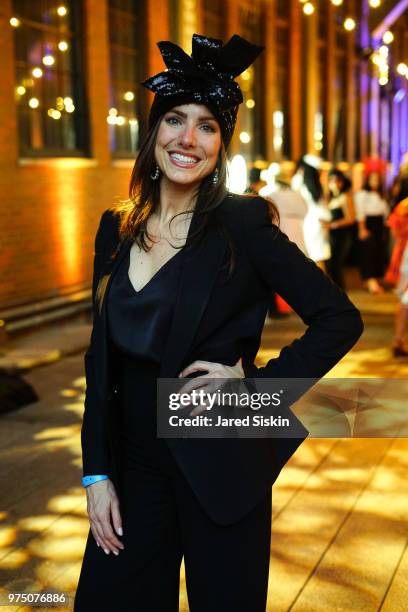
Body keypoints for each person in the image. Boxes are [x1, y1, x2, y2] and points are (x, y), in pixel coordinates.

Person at [74, 34, 364, 612]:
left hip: (218, 457)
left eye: (207, 126)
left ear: (221, 143)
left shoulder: (243, 224)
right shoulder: (117, 226)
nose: (188, 138)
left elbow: (339, 318)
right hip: (132, 468)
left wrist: (254, 391)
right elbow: (98, 359)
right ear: (153, 130)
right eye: (175, 119)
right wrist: (95, 474)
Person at [291, 155, 331, 270]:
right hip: (321, 221)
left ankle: (320, 286)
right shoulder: (317, 184)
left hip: (309, 221)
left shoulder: (298, 180)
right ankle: (323, 285)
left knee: (313, 257)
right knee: (320, 257)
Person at [354, 171, 389, 294]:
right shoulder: (363, 194)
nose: (376, 182)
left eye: (378, 180)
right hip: (368, 224)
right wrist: (362, 228)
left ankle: (374, 281)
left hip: (380, 226)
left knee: (377, 254)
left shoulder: (382, 195)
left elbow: (385, 213)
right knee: (368, 253)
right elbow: (360, 213)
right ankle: (371, 282)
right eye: (373, 179)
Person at [324, 169, 356, 290]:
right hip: (332, 235)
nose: (333, 183)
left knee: (336, 265)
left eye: (336, 181)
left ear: (341, 182)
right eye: (330, 181)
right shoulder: (332, 198)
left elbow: (351, 218)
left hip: (342, 235)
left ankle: (341, 293)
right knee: (332, 265)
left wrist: (333, 225)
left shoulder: (345, 197)